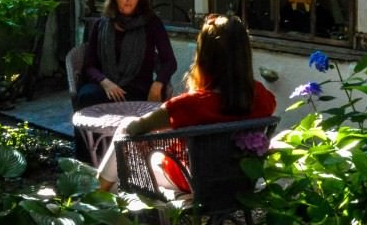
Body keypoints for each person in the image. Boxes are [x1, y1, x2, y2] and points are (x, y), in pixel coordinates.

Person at [96, 14, 276, 192]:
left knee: (124, 135)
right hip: (237, 181)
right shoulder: (261, 96)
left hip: (192, 181)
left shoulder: (188, 106)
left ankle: (94, 195)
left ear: (204, 56)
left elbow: (135, 128)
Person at [76, 0, 178, 108]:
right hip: (107, 86)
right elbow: (89, 65)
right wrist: (105, 82)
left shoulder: (151, 23)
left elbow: (169, 61)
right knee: (86, 96)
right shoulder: (102, 24)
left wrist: (158, 83)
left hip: (138, 89)